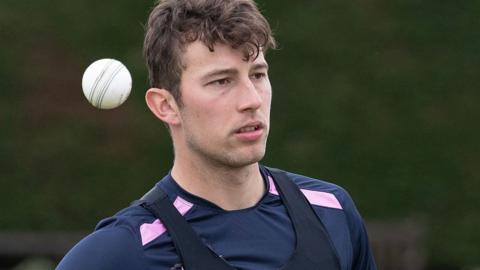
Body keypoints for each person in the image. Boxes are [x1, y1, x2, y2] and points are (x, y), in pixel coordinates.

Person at [57, 0, 377, 269]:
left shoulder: (331, 211)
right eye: (221, 81)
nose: (252, 99)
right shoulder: (123, 251)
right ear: (165, 106)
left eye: (258, 74)